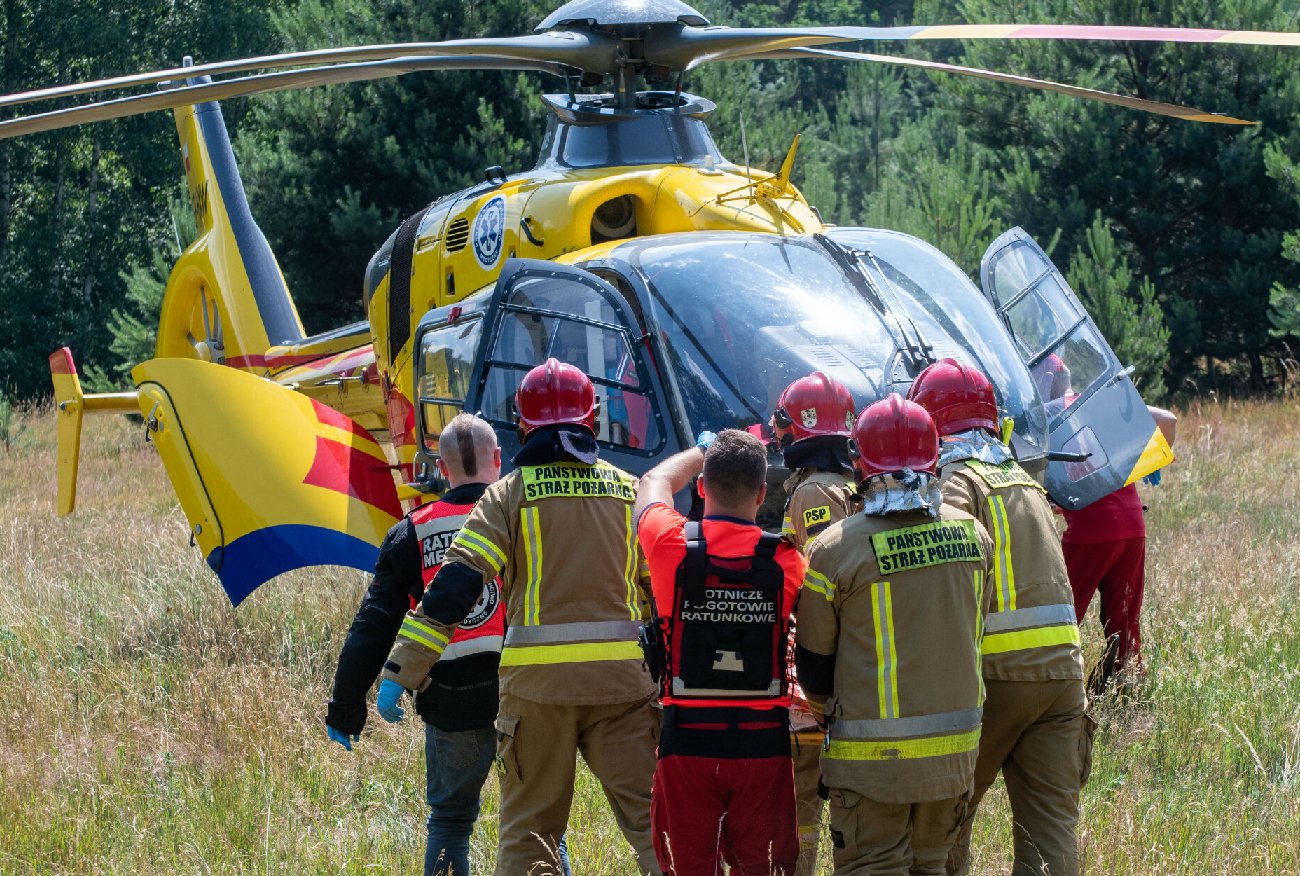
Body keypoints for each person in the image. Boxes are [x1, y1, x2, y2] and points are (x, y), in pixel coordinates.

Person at [379, 358, 662, 876]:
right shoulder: (628, 490)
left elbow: (456, 587)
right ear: (592, 422)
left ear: (524, 426)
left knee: (532, 835)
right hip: (623, 688)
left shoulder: (508, 495)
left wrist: (403, 670)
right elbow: (657, 590)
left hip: (537, 694)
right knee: (656, 828)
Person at [796, 394, 994, 876]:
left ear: (859, 463)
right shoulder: (974, 536)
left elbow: (814, 667)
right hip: (953, 758)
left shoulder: (833, 550)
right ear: (935, 460)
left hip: (871, 766)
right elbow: (974, 628)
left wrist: (826, 714)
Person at [906, 359, 1087, 876]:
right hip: (1061, 679)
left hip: (995, 680)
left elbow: (940, 577)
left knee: (940, 828)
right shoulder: (1024, 480)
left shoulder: (956, 483)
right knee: (1049, 838)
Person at [325, 413, 506, 876]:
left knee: (449, 824)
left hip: (452, 705)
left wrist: (347, 706)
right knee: (540, 827)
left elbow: (374, 625)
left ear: (442, 469)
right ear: (498, 460)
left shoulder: (413, 531)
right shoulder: (522, 520)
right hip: (526, 697)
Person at [635, 429, 806, 876]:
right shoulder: (789, 562)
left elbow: (652, 481)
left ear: (701, 487)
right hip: (763, 744)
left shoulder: (669, 544)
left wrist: (701, 449)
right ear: (762, 492)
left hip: (687, 742)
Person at [771, 372, 859, 876]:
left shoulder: (813, 494)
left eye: (782, 423)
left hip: (814, 681)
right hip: (851, 669)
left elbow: (818, 584)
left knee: (802, 812)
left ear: (801, 430)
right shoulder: (852, 484)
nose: (776, 434)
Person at [1062, 405, 1177, 695]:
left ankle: (1059, 691)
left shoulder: (1049, 416)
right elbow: (1168, 419)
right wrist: (1151, 461)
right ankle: (1128, 694)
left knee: (1061, 617)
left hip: (1092, 527)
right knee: (1125, 623)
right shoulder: (1099, 406)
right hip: (1132, 523)